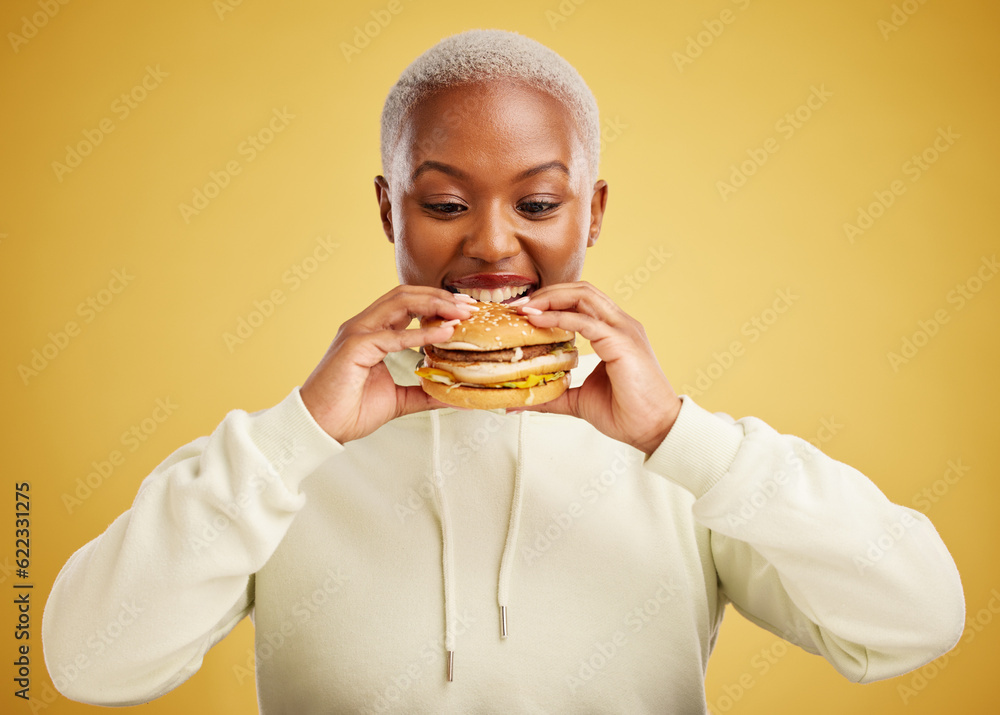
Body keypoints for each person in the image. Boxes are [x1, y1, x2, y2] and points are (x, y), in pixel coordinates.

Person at [43, 29, 964, 713]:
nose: (490, 242)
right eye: (444, 201)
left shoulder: (685, 463)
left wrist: (681, 439)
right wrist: (297, 439)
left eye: (537, 201)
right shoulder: (280, 462)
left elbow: (920, 618)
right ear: (387, 209)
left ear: (591, 212)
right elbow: (87, 662)